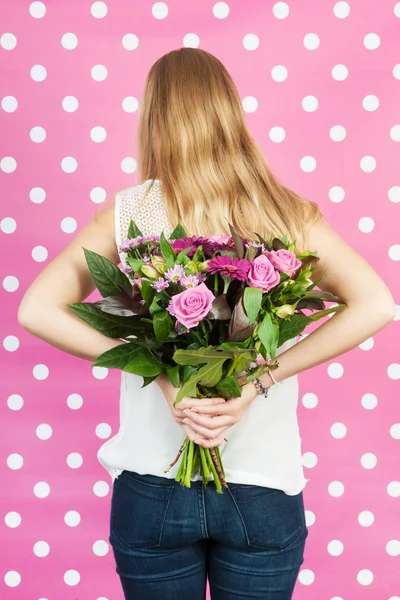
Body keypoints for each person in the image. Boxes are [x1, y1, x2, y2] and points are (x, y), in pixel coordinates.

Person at [17, 48, 396, 600]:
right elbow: (378, 303)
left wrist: (161, 375)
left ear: (153, 119)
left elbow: (35, 309)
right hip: (263, 488)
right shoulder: (285, 213)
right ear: (229, 115)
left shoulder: (131, 214)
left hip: (153, 482)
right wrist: (257, 380)